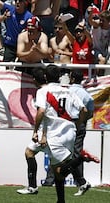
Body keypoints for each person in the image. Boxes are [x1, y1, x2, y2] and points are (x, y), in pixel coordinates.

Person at [32, 65, 100, 203]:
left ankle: (81, 161)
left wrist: (35, 131)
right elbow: (85, 110)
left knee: (58, 168)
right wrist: (78, 124)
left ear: (45, 76)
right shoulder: (68, 90)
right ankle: (63, 198)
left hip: (55, 131)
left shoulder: (44, 90)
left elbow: (41, 111)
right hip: (70, 130)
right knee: (57, 167)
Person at [16, 68, 55, 195]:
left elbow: (43, 113)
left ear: (34, 80)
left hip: (48, 130)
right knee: (60, 159)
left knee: (30, 153)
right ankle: (81, 181)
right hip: (59, 129)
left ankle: (32, 187)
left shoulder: (42, 92)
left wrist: (38, 132)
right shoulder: (57, 90)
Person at [69, 69, 95, 196]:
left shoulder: (67, 91)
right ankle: (80, 182)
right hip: (80, 125)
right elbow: (90, 112)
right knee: (77, 153)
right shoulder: (86, 94)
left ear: (71, 78)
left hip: (66, 124)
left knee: (60, 151)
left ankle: (51, 180)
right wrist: (81, 122)